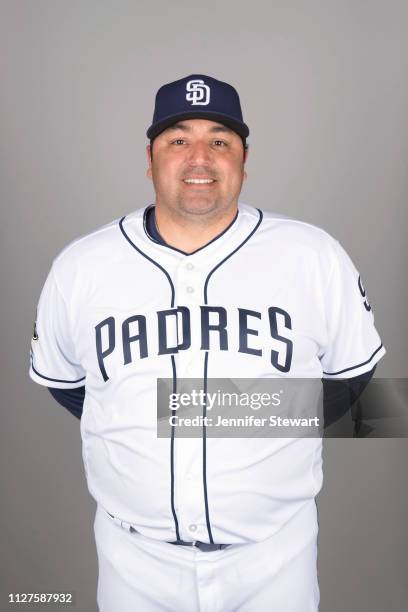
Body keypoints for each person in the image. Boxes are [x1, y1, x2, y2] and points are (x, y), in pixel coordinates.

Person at [29, 74, 385, 611]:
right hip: (133, 561)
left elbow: (354, 381)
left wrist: (213, 412)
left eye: (220, 140)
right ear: (150, 160)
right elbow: (69, 386)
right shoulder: (82, 266)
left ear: (244, 160)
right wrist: (136, 417)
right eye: (178, 140)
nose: (200, 157)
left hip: (274, 557)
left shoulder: (312, 255)